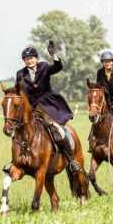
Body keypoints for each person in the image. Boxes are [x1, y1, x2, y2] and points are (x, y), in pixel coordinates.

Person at [15, 43, 80, 173]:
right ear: (24, 61)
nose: (30, 60)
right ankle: (16, 160)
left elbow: (57, 67)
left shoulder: (44, 66)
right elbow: (18, 91)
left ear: (36, 59)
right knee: (18, 130)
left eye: (32, 58)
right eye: (27, 59)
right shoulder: (20, 74)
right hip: (31, 107)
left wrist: (53, 55)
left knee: (58, 131)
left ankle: (72, 160)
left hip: (47, 105)